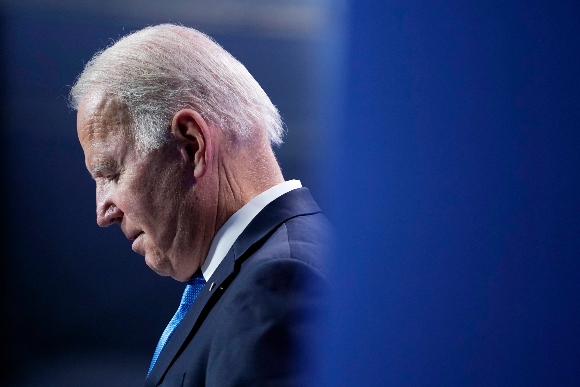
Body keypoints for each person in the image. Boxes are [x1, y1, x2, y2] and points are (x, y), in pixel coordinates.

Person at [70, 24, 331, 386]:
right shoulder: (257, 274)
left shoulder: (276, 283)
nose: (103, 212)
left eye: (111, 173)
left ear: (192, 146)